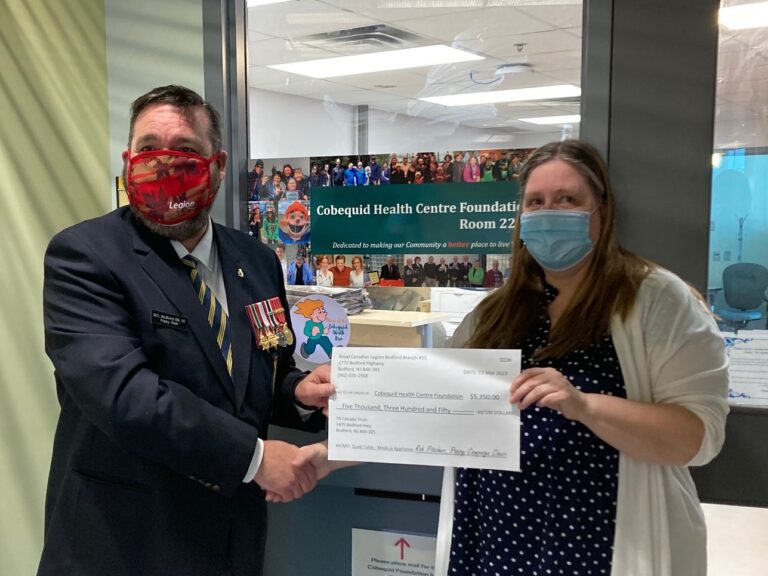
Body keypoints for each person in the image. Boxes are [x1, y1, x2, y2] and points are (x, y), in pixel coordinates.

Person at [298, 140, 730, 576]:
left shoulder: (656, 300)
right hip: (493, 542)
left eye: (567, 199)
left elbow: (697, 437)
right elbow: (433, 412)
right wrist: (331, 449)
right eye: (536, 202)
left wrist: (583, 405)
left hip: (597, 545)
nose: (549, 212)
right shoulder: (495, 314)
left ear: (601, 210)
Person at [37, 85, 336, 576]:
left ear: (217, 165)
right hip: (123, 542)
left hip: (230, 541)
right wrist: (256, 458)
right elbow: (125, 397)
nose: (164, 164)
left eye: (186, 151)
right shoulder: (85, 256)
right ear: (127, 158)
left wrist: (299, 391)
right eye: (148, 149)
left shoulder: (256, 261)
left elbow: (262, 366)